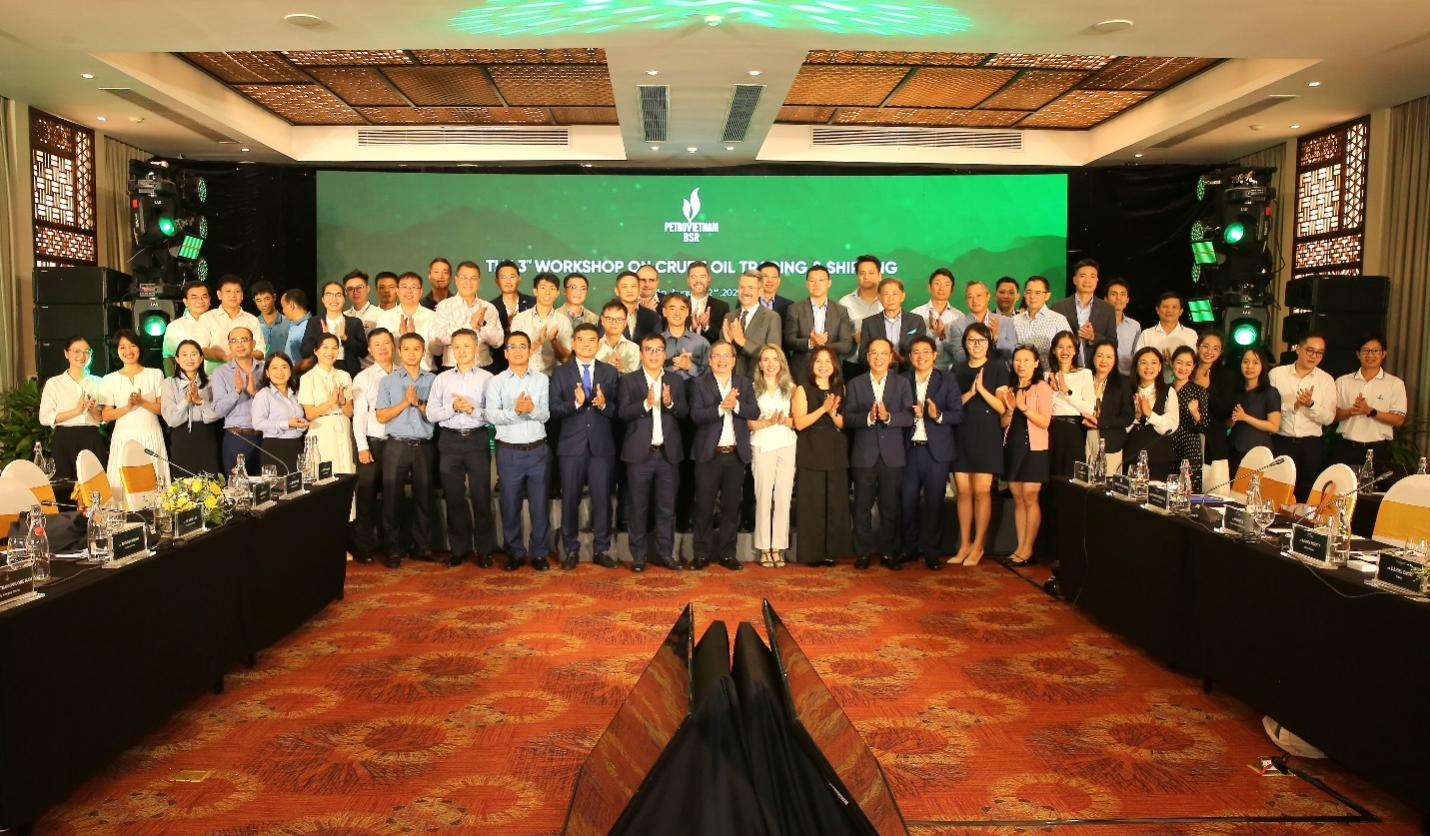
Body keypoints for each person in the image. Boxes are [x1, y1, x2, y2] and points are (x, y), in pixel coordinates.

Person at [550, 324, 620, 570]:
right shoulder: (561, 373)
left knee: (602, 499)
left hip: (602, 446)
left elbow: (618, 411)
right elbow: (553, 410)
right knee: (570, 498)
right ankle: (570, 549)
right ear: (573, 343)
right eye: (581, 339)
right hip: (571, 446)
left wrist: (603, 404)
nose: (587, 344)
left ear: (599, 344)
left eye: (592, 340)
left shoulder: (610, 372)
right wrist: (575, 404)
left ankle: (602, 549)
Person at [426, 329, 496, 568]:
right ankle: (459, 549)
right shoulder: (442, 379)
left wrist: (472, 410)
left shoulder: (488, 379)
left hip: (477, 439)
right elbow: (431, 413)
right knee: (454, 496)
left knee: (481, 496)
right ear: (451, 350)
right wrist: (453, 407)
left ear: (476, 349)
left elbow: (494, 415)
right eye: (457, 347)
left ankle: (484, 550)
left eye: (466, 346)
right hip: (449, 441)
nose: (461, 351)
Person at [619, 333, 688, 572]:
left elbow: (684, 412)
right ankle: (638, 556)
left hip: (668, 455)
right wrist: (646, 404)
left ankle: (665, 554)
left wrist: (669, 403)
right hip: (639, 455)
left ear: (665, 354)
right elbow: (622, 413)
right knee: (637, 507)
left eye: (659, 350)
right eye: (649, 350)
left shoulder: (675, 380)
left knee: (667, 508)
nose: (654, 354)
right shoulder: (629, 381)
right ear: (641, 354)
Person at [689, 341, 759, 571]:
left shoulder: (744, 383)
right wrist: (721, 408)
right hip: (708, 455)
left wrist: (736, 404)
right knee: (704, 506)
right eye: (716, 356)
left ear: (734, 360)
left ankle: (728, 554)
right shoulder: (699, 383)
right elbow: (696, 415)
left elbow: (754, 411)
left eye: (726, 356)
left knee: (731, 507)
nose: (721, 360)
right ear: (709, 361)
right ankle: (701, 554)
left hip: (735, 455)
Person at [844, 337, 913, 570]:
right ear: (867, 357)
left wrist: (888, 417)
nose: (878, 357)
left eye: (883, 353)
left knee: (890, 508)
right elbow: (848, 418)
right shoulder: (855, 384)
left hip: (892, 456)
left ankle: (887, 552)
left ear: (891, 357)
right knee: (861, 507)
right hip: (864, 455)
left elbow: (909, 417)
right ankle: (863, 552)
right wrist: (869, 417)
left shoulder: (902, 383)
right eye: (874, 353)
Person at [486, 332, 554, 570]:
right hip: (509, 452)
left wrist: (531, 408)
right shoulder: (496, 382)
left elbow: (545, 415)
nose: (518, 351)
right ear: (505, 353)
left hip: (538, 450)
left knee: (539, 505)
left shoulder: (541, 380)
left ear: (530, 350)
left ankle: (539, 553)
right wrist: (515, 411)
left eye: (523, 346)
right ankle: (514, 552)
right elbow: (491, 415)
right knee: (509, 505)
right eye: (513, 347)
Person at [374, 333, 437, 567]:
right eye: (407, 349)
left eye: (416, 349)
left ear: (423, 352)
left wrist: (418, 404)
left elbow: (437, 414)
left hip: (423, 445)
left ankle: (422, 546)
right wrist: (404, 403)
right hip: (396, 445)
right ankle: (393, 549)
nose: (411, 353)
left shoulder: (433, 380)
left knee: (424, 497)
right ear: (399, 352)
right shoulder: (388, 381)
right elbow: (381, 416)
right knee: (391, 498)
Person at [901, 336, 962, 570]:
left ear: (935, 355)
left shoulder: (947, 380)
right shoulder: (901, 380)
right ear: (909, 357)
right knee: (907, 503)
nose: (921, 356)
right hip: (908, 450)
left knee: (934, 504)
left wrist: (936, 415)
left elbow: (958, 414)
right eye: (916, 352)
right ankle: (909, 549)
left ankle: (932, 552)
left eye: (926, 352)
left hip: (936, 453)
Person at [951, 323, 1007, 566]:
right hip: (961, 432)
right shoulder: (958, 368)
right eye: (971, 340)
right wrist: (970, 393)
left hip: (987, 433)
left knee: (982, 492)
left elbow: (1002, 407)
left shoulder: (997, 366)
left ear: (989, 343)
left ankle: (978, 545)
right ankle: (964, 544)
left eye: (981, 340)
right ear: (964, 343)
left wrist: (982, 390)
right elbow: (952, 404)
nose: (976, 345)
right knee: (963, 492)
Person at [792, 346, 851, 566]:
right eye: (818, 361)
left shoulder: (841, 389)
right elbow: (800, 423)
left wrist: (833, 413)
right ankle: (812, 554)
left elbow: (843, 423)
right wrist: (823, 409)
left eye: (828, 361)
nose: (823, 365)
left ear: (834, 365)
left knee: (835, 503)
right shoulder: (802, 389)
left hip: (836, 449)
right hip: (811, 448)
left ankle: (832, 552)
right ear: (811, 365)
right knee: (812, 504)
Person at [999, 344, 1053, 567]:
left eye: (1026, 360)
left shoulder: (1042, 387)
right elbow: (1003, 423)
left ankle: (1028, 549)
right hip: (1013, 446)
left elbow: (1045, 421)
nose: (1021, 364)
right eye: (1017, 360)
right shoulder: (1010, 389)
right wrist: (1011, 409)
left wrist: (1024, 408)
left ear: (1036, 363)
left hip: (1034, 448)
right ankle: (1019, 547)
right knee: (1018, 498)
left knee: (1030, 497)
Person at [1268, 333, 1337, 501]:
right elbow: (1267, 408)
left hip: (1310, 445)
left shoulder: (1326, 380)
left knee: (1307, 493)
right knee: (1277, 490)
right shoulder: (1277, 374)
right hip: (1281, 440)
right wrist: (1294, 406)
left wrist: (1311, 405)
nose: (1314, 356)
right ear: (1298, 349)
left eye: (1319, 353)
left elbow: (1329, 418)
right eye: (1310, 350)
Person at [98, 329, 166, 492]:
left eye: (132, 345)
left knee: (153, 485)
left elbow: (162, 409)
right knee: (124, 486)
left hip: (150, 434)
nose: (128, 351)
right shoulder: (109, 379)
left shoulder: (155, 374)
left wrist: (142, 402)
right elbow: (106, 415)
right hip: (123, 437)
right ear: (116, 351)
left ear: (139, 347)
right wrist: (128, 406)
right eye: (122, 347)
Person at [749, 345, 798, 568]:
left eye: (775, 359)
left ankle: (778, 547)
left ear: (781, 363)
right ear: (759, 364)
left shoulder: (791, 388)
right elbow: (749, 423)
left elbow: (798, 420)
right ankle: (763, 547)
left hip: (786, 444)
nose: (770, 364)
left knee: (783, 497)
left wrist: (784, 420)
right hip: (761, 445)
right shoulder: (752, 388)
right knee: (763, 497)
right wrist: (768, 422)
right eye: (766, 359)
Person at [1333, 333, 1407, 474]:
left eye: (1375, 351)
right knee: (1343, 485)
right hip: (1346, 447)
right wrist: (1350, 411)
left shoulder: (1395, 384)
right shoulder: (1342, 381)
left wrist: (1369, 411)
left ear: (1383, 354)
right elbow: (1332, 416)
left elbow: (1398, 420)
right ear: (1358, 354)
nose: (1370, 355)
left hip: (1378, 449)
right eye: (1365, 350)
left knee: (1374, 487)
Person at [351, 328, 395, 564]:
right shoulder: (364, 377)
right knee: (366, 497)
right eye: (377, 344)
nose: (382, 348)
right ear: (369, 350)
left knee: (392, 497)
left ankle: (392, 547)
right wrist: (362, 446)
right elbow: (358, 416)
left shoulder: (402, 373)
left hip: (396, 444)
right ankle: (364, 546)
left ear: (393, 345)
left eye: (386, 343)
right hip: (372, 443)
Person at [39, 336, 106, 481]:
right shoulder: (54, 383)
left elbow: (102, 418)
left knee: (95, 484)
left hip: (91, 437)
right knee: (64, 485)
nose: (82, 356)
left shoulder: (99, 382)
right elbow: (44, 417)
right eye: (76, 351)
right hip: (64, 438)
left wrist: (92, 409)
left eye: (86, 351)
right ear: (66, 353)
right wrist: (76, 411)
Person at [298, 333, 356, 477]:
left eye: (334, 348)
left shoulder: (344, 375)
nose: (330, 352)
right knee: (325, 473)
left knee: (345, 469)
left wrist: (342, 402)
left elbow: (349, 412)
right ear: (316, 351)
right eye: (325, 347)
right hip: (321, 428)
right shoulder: (308, 378)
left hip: (342, 425)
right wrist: (331, 401)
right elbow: (310, 414)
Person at [160, 339, 221, 477]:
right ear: (177, 359)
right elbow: (171, 419)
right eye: (184, 355)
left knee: (209, 482)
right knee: (182, 484)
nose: (189, 359)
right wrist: (186, 400)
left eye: (194, 354)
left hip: (206, 436)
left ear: (201, 358)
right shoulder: (169, 383)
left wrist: (199, 400)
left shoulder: (212, 381)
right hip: (181, 437)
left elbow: (218, 412)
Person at [784, 263, 855, 382]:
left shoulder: (840, 311)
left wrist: (823, 347)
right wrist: (810, 343)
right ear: (807, 284)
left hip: (831, 371)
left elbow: (846, 345)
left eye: (821, 280)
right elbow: (789, 341)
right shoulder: (794, 309)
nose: (816, 284)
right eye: (812, 281)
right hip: (801, 371)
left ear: (829, 283)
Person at [211, 326, 265, 476]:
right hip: (238, 437)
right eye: (234, 341)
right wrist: (236, 392)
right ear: (229, 346)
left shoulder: (266, 368)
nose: (239, 344)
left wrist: (255, 393)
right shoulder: (221, 372)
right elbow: (218, 410)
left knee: (270, 485)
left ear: (253, 343)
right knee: (239, 487)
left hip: (267, 435)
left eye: (244, 340)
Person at [432, 260, 505, 370]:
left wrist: (482, 325)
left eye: (473, 278)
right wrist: (470, 325)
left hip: (484, 368)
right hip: (452, 368)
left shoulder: (488, 307)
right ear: (456, 280)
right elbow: (438, 338)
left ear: (479, 281)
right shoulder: (444, 306)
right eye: (464, 278)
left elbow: (498, 342)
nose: (468, 282)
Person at [1121, 346, 1181, 480]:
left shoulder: (1168, 391)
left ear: (1160, 367)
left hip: (1159, 456)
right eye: (1143, 362)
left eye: (1154, 363)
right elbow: (1120, 425)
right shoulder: (1127, 390)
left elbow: (1171, 425)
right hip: (1131, 453)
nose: (1148, 367)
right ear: (1136, 367)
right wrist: (1135, 418)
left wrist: (1150, 414)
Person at [1046, 330, 1095, 477]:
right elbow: (1045, 408)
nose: (1065, 351)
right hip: (1051, 429)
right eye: (1060, 347)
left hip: (1074, 430)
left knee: (1072, 476)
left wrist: (1067, 392)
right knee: (1051, 475)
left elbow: (1089, 409)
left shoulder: (1085, 374)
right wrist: (1052, 391)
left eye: (1069, 347)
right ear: (1053, 350)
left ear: (1075, 351)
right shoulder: (1047, 375)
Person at [1049, 259, 1116, 367]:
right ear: (1074, 280)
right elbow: (1051, 340)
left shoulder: (1107, 309)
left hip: (1095, 368)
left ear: (1097, 280)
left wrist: (1093, 337)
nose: (1087, 280)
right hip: (1064, 367)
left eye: (1092, 276)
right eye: (1083, 276)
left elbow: (1113, 343)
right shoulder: (1058, 307)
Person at [1227, 347, 1282, 477]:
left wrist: (1245, 417)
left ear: (1263, 366)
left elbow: (1274, 426)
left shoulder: (1270, 392)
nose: (1249, 366)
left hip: (1259, 451)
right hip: (1235, 448)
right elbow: (1229, 423)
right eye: (1245, 362)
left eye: (1255, 362)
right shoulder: (1236, 391)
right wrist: (1231, 421)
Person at [252, 352, 308, 471]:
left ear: (290, 371)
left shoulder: (295, 394)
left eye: (284, 367)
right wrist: (286, 424)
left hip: (297, 446)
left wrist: (302, 424)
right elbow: (257, 423)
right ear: (267, 373)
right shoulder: (264, 394)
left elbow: (297, 420)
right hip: (275, 448)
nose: (280, 372)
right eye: (274, 368)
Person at [1083, 339, 1132, 476]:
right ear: (1093, 357)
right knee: (1084, 483)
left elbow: (1128, 417)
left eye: (1109, 357)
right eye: (1100, 355)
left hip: (1110, 442)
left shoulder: (1123, 382)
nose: (1104, 360)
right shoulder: (1084, 378)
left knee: (1107, 484)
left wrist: (1101, 422)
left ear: (1115, 360)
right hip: (1084, 438)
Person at [509, 272, 573, 375]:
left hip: (552, 377)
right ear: (535, 291)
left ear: (557, 293)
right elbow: (514, 355)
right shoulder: (520, 319)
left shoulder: (563, 321)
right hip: (524, 376)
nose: (547, 292)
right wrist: (538, 341)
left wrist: (554, 341)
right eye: (543, 288)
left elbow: (565, 359)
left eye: (552, 288)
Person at [856, 278, 927, 369]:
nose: (890, 298)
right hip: (880, 372)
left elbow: (922, 352)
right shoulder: (869, 323)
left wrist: (903, 360)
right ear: (879, 297)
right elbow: (862, 356)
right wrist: (882, 361)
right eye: (886, 294)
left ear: (903, 296)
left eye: (894, 294)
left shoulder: (916, 321)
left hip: (909, 372)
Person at [198, 275, 265, 372]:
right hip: (213, 375)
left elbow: (260, 352)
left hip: (246, 375)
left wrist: (240, 357)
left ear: (242, 295)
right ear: (219, 294)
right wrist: (224, 357)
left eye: (237, 291)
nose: (233, 295)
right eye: (228, 291)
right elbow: (202, 349)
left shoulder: (252, 320)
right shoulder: (207, 318)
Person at [300, 280, 368, 376]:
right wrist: (322, 338)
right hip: (321, 371)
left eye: (338, 294)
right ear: (323, 299)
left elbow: (363, 352)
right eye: (329, 294)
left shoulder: (354, 322)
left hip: (348, 370)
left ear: (344, 298)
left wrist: (345, 338)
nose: (334, 299)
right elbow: (304, 351)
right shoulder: (314, 322)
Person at [723, 270, 781, 379]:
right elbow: (722, 353)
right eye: (742, 287)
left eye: (751, 288)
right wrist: (728, 343)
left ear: (760, 291)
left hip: (758, 379)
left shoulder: (772, 317)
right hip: (730, 378)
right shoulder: (729, 317)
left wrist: (743, 342)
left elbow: (773, 355)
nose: (745, 292)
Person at [376, 273, 440, 371]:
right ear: (397, 291)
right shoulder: (385, 317)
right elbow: (379, 350)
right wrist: (400, 336)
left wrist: (414, 337)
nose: (409, 291)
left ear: (421, 291)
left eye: (413, 287)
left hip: (426, 373)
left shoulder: (433, 316)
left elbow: (438, 351)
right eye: (404, 287)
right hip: (395, 374)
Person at [1193, 331, 1233, 484]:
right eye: (1205, 346)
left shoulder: (1226, 376)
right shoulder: (1189, 369)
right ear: (1198, 346)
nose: (1209, 351)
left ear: (1220, 352)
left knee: (1212, 485)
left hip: (1213, 438)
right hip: (1188, 435)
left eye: (1215, 348)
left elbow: (1224, 411)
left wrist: (1207, 389)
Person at [947, 280, 1017, 366]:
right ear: (966, 300)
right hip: (971, 372)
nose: (975, 300)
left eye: (979, 295)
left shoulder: (1006, 322)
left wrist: (996, 339)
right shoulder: (957, 325)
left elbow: (1012, 353)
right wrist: (977, 347)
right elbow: (959, 357)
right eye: (970, 297)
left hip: (1001, 371)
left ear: (988, 297)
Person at [1169, 345, 1209, 492]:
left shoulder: (1198, 391)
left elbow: (1205, 426)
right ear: (1171, 363)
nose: (1183, 368)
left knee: (1187, 492)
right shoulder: (1165, 389)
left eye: (1188, 364)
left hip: (1189, 447)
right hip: (1166, 445)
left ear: (1193, 367)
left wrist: (1195, 413)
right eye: (1179, 362)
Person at [490, 260, 535, 373]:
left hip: (531, 364)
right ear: (497, 281)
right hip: (500, 365)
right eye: (503, 277)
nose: (508, 281)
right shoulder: (491, 307)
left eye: (512, 276)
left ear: (519, 278)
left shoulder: (533, 303)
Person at [1012, 276, 1071, 361]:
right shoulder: (1015, 320)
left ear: (1047, 296)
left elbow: (1069, 348)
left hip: (1049, 368)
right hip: (1021, 368)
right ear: (1024, 294)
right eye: (1029, 292)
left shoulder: (1058, 320)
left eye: (1038, 293)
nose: (1032, 296)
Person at [910, 268, 959, 367]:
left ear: (952, 289)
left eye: (946, 285)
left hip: (950, 370)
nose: (941, 288)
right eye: (937, 283)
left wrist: (941, 335)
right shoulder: (915, 314)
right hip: (922, 368)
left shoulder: (959, 316)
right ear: (929, 287)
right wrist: (930, 332)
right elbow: (911, 346)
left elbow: (959, 350)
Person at [162, 281, 211, 377]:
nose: (200, 301)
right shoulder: (175, 326)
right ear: (185, 302)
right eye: (194, 297)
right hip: (187, 381)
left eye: (204, 297)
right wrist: (173, 382)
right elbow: (168, 358)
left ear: (209, 300)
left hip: (218, 380)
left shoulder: (220, 322)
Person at [1134, 292, 1198, 361]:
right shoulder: (1146, 334)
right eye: (1165, 307)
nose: (1170, 310)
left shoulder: (1191, 334)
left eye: (1174, 307)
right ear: (1157, 310)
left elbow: (1195, 360)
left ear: (1181, 311)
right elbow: (1138, 360)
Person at [661, 292, 710, 381]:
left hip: (694, 389)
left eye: (682, 309)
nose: (677, 313)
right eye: (672, 309)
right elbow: (648, 372)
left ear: (687, 312)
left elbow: (709, 376)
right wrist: (671, 368)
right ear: (664, 312)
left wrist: (690, 366)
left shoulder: (702, 342)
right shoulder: (656, 342)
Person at [684, 261, 729, 345]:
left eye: (702, 276)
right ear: (688, 281)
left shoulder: (722, 307)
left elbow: (723, 338)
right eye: (693, 277)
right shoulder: (680, 305)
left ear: (709, 279)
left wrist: (707, 326)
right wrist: (691, 328)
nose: (698, 281)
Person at [1105, 278, 1141, 375]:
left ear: (1127, 299)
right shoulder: (1097, 323)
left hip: (1125, 376)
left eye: (1122, 294)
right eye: (1113, 294)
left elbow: (1136, 354)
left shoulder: (1135, 326)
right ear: (1105, 299)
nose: (1118, 298)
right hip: (1101, 375)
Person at [614, 270, 660, 343]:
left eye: (633, 286)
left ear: (639, 290)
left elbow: (657, 343)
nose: (629, 290)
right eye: (625, 287)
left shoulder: (652, 316)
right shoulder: (608, 315)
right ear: (616, 291)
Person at [596, 300, 641, 373]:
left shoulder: (634, 349)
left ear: (625, 322)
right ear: (602, 320)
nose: (614, 323)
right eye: (609, 319)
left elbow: (636, 377)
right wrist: (607, 367)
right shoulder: (594, 347)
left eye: (619, 319)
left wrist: (622, 369)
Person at [250, 281, 288, 368]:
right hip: (259, 371)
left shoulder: (288, 322)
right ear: (254, 301)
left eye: (267, 298)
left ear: (274, 297)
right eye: (259, 300)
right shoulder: (252, 324)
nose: (264, 304)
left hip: (284, 370)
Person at [342, 269, 383, 335]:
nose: (355, 292)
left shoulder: (380, 314)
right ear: (346, 292)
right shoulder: (343, 316)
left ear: (367, 288)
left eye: (359, 287)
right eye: (350, 289)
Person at [279, 289, 312, 365]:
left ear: (291, 306)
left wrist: (295, 369)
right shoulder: (293, 326)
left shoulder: (309, 326)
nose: (283, 311)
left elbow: (310, 361)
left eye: (283, 306)